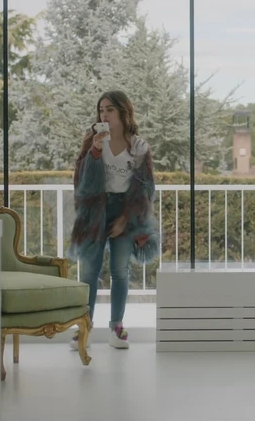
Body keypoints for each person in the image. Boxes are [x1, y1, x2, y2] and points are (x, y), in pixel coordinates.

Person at [68, 90, 160, 350]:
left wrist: (125, 219)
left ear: (123, 112)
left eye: (109, 109)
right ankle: (84, 327)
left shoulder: (138, 146)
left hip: (125, 209)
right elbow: (81, 180)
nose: (104, 115)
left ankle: (116, 327)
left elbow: (146, 189)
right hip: (94, 210)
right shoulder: (93, 141)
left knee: (120, 271)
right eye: (101, 110)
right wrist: (95, 152)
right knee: (89, 271)